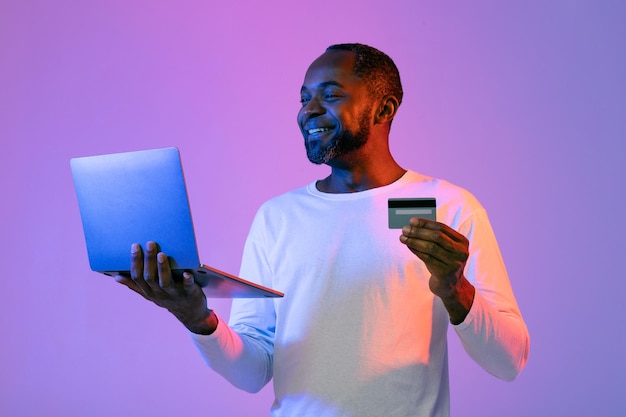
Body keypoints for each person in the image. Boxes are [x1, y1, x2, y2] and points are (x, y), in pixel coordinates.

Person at [115, 43, 530, 417]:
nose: (307, 111)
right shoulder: (277, 217)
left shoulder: (450, 206)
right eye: (303, 98)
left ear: (384, 110)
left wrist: (455, 288)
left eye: (329, 95)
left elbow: (508, 361)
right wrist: (196, 318)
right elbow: (252, 373)